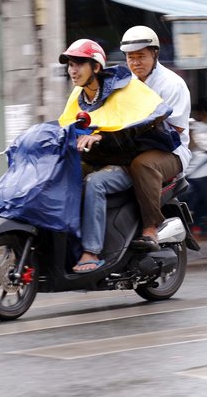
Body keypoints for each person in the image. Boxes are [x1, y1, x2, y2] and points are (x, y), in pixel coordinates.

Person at [57, 38, 181, 273]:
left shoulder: (126, 88)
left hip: (127, 160)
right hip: (97, 160)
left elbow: (141, 123)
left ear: (96, 67)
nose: (72, 70)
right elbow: (66, 126)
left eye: (79, 64)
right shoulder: (78, 95)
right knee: (61, 177)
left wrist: (103, 136)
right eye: (70, 64)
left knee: (95, 183)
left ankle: (91, 251)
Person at [119, 25, 192, 253]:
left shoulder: (172, 84)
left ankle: (150, 227)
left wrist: (138, 131)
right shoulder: (122, 83)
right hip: (130, 146)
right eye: (131, 57)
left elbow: (176, 129)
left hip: (170, 151)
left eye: (141, 56)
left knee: (143, 165)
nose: (136, 63)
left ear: (155, 54)